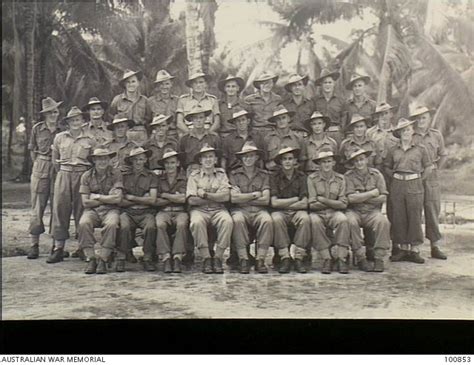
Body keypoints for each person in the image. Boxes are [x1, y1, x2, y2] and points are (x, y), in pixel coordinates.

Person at [48, 106, 96, 263]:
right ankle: (58, 248)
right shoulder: (60, 138)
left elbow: (94, 161)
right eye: (72, 120)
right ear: (67, 122)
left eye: (78, 119)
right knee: (60, 209)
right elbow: (55, 160)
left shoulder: (90, 139)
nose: (76, 122)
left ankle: (82, 248)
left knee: (81, 212)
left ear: (83, 121)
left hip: (83, 174)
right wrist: (63, 172)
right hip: (64, 173)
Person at [384, 118, 433, 264]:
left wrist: (417, 179)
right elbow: (387, 166)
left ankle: (415, 250)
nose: (406, 132)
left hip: (414, 184)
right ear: (399, 133)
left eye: (408, 129)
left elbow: (428, 167)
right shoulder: (393, 150)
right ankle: (403, 249)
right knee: (398, 216)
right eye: (403, 130)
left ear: (412, 131)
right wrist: (394, 177)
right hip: (397, 184)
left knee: (415, 215)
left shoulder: (421, 149)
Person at [186, 144, 233, 274]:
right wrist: (216, 196)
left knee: (227, 221)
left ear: (216, 160)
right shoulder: (194, 176)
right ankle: (206, 257)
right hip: (199, 210)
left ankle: (218, 257)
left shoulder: (221, 174)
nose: (208, 160)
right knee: (196, 222)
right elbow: (191, 200)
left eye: (211, 156)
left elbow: (226, 197)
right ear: (200, 160)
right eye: (205, 157)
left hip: (218, 209)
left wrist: (206, 195)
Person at [27, 97, 63, 259]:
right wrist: (39, 164)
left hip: (58, 168)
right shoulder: (37, 129)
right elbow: (32, 149)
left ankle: (57, 247)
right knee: (37, 207)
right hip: (41, 166)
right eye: (50, 112)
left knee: (58, 206)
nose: (53, 115)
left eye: (55, 111)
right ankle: (34, 244)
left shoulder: (63, 129)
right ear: (45, 114)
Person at [307, 150, 354, 274]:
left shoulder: (340, 179)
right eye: (323, 162)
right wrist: (333, 202)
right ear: (319, 164)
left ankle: (341, 258)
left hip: (335, 212)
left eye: (329, 161)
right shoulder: (312, 179)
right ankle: (327, 258)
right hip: (318, 212)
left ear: (333, 163)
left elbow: (343, 203)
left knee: (343, 220)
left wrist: (322, 199)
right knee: (314, 221)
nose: (326, 164)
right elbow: (312, 203)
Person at [229, 142, 273, 274]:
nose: (248, 159)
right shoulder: (234, 174)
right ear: (241, 159)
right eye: (245, 157)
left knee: (267, 221)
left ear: (256, 158)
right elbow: (233, 198)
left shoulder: (264, 175)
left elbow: (266, 199)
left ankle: (260, 259)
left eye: (251, 156)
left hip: (259, 211)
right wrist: (254, 194)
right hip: (240, 210)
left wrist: (243, 197)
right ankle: (243, 259)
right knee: (237, 221)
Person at [344, 149, 391, 273]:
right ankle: (360, 258)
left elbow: (383, 197)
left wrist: (361, 197)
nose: (359, 163)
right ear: (353, 163)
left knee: (383, 222)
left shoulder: (376, 175)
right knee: (350, 221)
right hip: (354, 211)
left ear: (367, 160)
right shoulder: (348, 176)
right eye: (356, 161)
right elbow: (350, 198)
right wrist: (372, 193)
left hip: (372, 212)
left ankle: (379, 258)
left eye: (361, 159)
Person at [411, 106, 448, 260]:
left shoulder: (436, 135)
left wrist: (435, 169)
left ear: (429, 118)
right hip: (415, 176)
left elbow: (443, 155)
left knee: (432, 210)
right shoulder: (410, 135)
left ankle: (435, 246)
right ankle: (415, 248)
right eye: (418, 118)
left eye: (424, 118)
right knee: (414, 211)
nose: (421, 121)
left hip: (431, 177)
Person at [78, 148, 122, 274]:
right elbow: (85, 201)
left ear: (109, 160)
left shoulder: (116, 174)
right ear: (94, 160)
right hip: (92, 210)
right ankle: (91, 258)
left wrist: (97, 197)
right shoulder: (86, 176)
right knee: (83, 223)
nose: (102, 161)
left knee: (112, 224)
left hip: (111, 210)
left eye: (105, 158)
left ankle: (103, 258)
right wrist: (108, 198)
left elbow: (118, 198)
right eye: (99, 159)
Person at [270, 146, 311, 274]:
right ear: (280, 162)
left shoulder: (301, 176)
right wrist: (294, 199)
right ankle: (284, 257)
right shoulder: (274, 177)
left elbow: (304, 203)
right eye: (284, 159)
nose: (287, 162)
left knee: (305, 218)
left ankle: (299, 257)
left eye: (290, 159)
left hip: (296, 211)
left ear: (295, 161)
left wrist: (285, 204)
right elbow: (274, 202)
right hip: (281, 212)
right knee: (276, 219)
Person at [117, 147, 158, 272]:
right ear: (131, 161)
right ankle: (121, 258)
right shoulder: (124, 176)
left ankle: (147, 258)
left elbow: (152, 200)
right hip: (128, 212)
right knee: (123, 226)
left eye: (141, 159)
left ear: (146, 160)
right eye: (135, 160)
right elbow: (120, 199)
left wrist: (132, 197)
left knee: (151, 227)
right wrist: (141, 199)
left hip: (146, 212)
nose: (139, 162)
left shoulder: (152, 176)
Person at [153, 148, 189, 273]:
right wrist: (174, 197)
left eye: (172, 162)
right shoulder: (159, 179)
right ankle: (166, 257)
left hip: (180, 211)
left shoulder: (183, 179)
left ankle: (178, 257)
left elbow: (184, 199)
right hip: (164, 210)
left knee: (182, 224)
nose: (170, 166)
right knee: (159, 224)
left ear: (178, 163)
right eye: (167, 163)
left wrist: (166, 195)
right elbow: (155, 200)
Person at [110, 69, 152, 145]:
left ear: (138, 83)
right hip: (124, 133)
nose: (131, 84)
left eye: (133, 81)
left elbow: (149, 118)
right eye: (128, 82)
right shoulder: (117, 100)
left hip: (140, 133)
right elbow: (111, 116)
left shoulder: (145, 100)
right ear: (124, 85)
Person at [178, 105, 222, 173]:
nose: (198, 120)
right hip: (192, 171)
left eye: (201, 117)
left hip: (210, 170)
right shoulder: (185, 138)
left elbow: (219, 157)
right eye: (195, 118)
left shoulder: (214, 137)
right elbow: (182, 159)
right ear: (191, 120)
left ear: (205, 119)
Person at [264, 107, 307, 172]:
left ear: (288, 119)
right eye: (278, 119)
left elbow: (302, 160)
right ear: (275, 121)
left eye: (283, 118)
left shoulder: (298, 138)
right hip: (273, 174)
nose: (281, 121)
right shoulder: (268, 139)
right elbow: (264, 161)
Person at [367, 102, 399, 184]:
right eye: (381, 114)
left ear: (391, 114)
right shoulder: (370, 133)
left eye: (386, 113)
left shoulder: (397, 132)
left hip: (392, 169)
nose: (384, 116)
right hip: (375, 168)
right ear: (377, 116)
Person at [313, 69, 347, 145]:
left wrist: (341, 133)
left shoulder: (341, 100)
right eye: (325, 83)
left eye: (330, 82)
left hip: (336, 133)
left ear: (334, 84)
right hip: (320, 134)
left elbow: (344, 118)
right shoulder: (315, 101)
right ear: (321, 85)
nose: (327, 85)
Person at [148, 70, 179, 138]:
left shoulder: (177, 100)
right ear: (158, 86)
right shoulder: (151, 101)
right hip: (157, 135)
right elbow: (147, 122)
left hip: (173, 134)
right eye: (161, 84)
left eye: (167, 84)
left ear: (171, 84)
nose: (164, 87)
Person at [217, 75, 246, 139]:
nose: (231, 89)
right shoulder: (218, 104)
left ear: (238, 88)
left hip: (239, 137)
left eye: (233, 86)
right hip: (223, 137)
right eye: (228, 86)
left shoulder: (244, 105)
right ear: (224, 89)